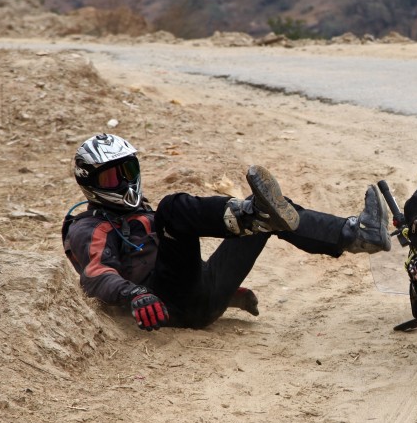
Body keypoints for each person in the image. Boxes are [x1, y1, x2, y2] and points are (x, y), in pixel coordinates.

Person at [62, 133, 391, 331]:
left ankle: (356, 234)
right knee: (173, 208)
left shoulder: (140, 213)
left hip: (201, 298)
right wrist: (134, 294)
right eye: (110, 178)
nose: (122, 181)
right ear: (90, 183)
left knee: (271, 215)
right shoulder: (88, 228)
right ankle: (248, 214)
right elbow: (96, 274)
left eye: (127, 170)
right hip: (164, 306)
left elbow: (179, 270)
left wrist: (226, 293)